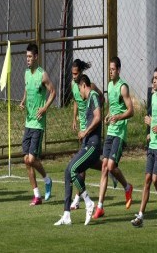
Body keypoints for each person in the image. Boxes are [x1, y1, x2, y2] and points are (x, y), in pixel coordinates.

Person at [68, 59, 118, 210]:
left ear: (81, 73)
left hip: (90, 127)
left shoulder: (91, 87)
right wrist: (74, 117)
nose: (74, 76)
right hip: (83, 127)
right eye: (72, 74)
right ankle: (108, 169)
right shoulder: (73, 85)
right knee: (87, 162)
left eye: (76, 74)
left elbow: (100, 98)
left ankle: (77, 199)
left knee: (80, 166)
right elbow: (77, 100)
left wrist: (95, 112)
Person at [54, 74, 101, 226]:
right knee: (68, 171)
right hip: (87, 144)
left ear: (83, 85)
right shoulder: (88, 101)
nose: (79, 93)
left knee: (73, 169)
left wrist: (85, 132)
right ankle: (66, 214)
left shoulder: (93, 95)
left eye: (79, 89)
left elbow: (98, 117)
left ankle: (88, 201)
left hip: (92, 146)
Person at [93, 56, 134, 219]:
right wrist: (109, 115)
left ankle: (127, 186)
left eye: (112, 69)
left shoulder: (123, 87)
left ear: (118, 70)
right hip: (111, 130)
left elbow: (131, 110)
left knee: (110, 166)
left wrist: (118, 117)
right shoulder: (110, 85)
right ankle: (100, 207)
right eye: (109, 69)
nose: (110, 72)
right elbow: (113, 107)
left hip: (120, 132)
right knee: (104, 167)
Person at [130, 67, 157, 227]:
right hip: (153, 142)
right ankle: (140, 216)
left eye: (156, 78)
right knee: (148, 179)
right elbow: (153, 118)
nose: (153, 81)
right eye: (153, 78)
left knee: (155, 179)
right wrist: (150, 128)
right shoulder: (154, 96)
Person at [20, 43, 56, 206]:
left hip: (38, 124)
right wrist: (22, 101)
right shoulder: (26, 74)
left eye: (29, 56)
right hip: (28, 122)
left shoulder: (43, 75)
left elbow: (53, 92)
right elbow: (27, 90)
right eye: (26, 56)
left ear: (36, 57)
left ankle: (47, 179)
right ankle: (36, 195)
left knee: (32, 158)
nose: (27, 59)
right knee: (26, 160)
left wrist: (44, 108)